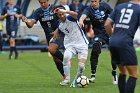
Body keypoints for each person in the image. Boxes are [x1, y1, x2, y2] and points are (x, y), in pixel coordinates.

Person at [22, 0, 65, 79]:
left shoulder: (54, 8)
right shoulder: (38, 12)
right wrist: (26, 21)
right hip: (49, 36)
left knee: (51, 49)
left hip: (58, 33)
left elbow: (63, 20)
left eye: (44, 2)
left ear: (47, 1)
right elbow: (30, 25)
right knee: (55, 58)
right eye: (41, 3)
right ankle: (65, 76)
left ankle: (66, 60)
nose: (43, 4)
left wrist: (57, 30)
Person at [79, 0, 118, 84]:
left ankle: (114, 72)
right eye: (92, 1)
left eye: (95, 1)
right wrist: (81, 20)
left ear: (98, 1)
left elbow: (114, 15)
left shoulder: (105, 6)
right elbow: (83, 16)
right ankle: (93, 75)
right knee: (95, 50)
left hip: (109, 32)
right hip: (98, 34)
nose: (93, 3)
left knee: (113, 54)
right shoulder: (89, 9)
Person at [105, 0, 140, 93]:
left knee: (122, 72)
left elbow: (107, 24)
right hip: (125, 42)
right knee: (133, 75)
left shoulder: (120, 6)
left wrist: (112, 37)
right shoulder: (139, 8)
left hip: (113, 42)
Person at [53, 5, 89, 87]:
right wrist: (56, 32)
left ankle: (77, 80)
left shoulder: (70, 17)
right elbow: (60, 28)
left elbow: (75, 14)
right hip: (70, 44)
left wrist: (64, 11)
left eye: (63, 14)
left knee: (81, 66)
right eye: (60, 15)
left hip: (81, 43)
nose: (62, 16)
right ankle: (67, 79)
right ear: (58, 16)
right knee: (66, 57)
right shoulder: (60, 25)